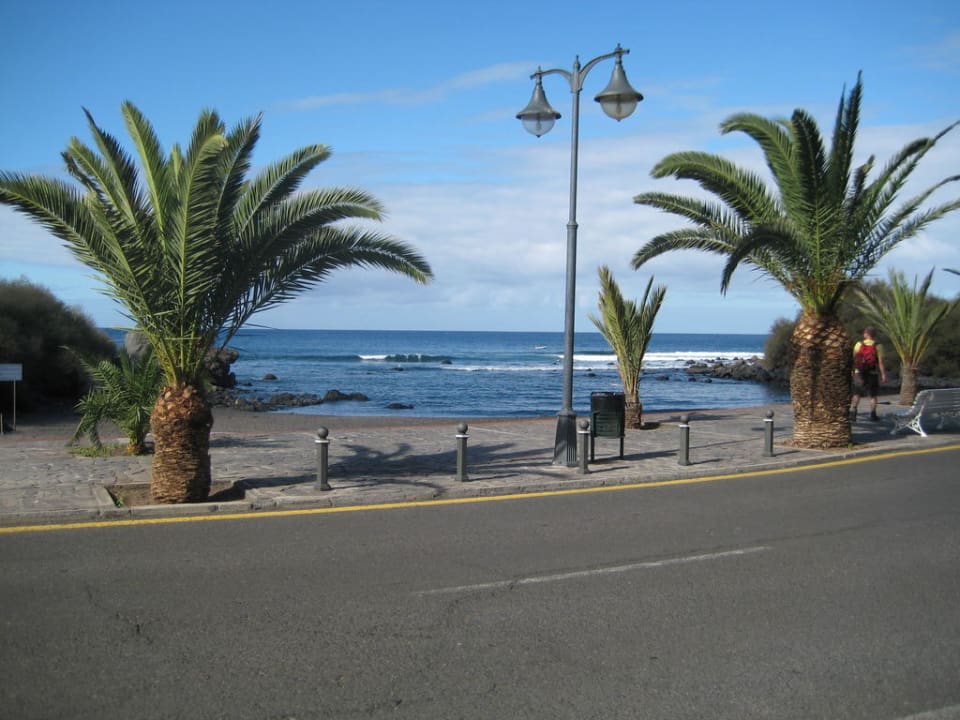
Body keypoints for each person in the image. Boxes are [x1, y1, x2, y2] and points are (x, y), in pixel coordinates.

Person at [850, 326, 887, 421]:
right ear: (874, 335)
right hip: (872, 373)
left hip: (859, 372)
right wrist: (883, 374)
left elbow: (854, 358)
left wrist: (852, 371)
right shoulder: (878, 345)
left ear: (866, 334)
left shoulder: (859, 344)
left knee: (857, 393)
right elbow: (880, 362)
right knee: (873, 395)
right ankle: (873, 414)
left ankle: (853, 412)